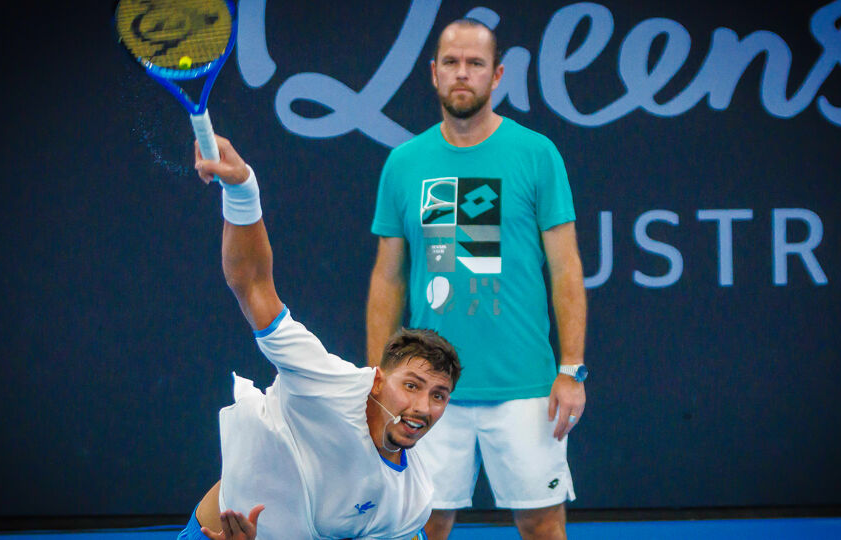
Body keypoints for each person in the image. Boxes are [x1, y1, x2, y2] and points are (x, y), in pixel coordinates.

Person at [366, 19, 588, 540]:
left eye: (475, 63)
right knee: (421, 524)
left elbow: (566, 269)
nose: (462, 73)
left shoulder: (537, 154)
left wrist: (571, 368)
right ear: (433, 73)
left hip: (526, 385)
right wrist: (378, 377)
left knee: (541, 523)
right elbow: (387, 277)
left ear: (497, 74)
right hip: (426, 387)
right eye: (451, 62)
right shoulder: (403, 164)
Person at [180, 135, 462, 540]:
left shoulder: (411, 499)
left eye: (439, 395)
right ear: (378, 380)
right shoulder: (324, 378)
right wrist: (243, 189)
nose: (422, 406)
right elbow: (253, 284)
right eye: (412, 385)